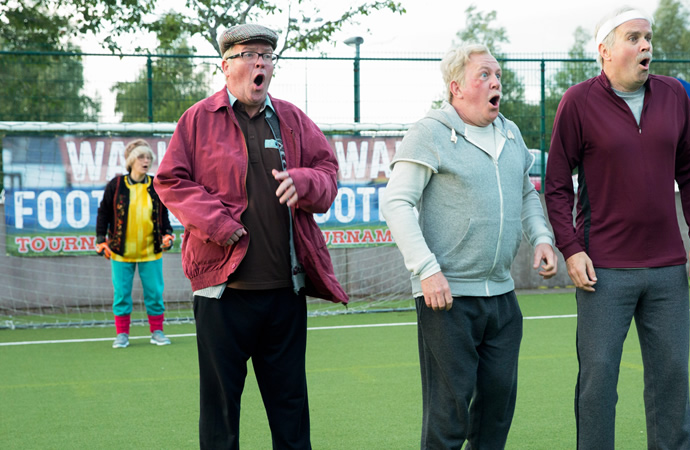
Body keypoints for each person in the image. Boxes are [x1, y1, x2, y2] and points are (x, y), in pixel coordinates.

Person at [153, 23, 347, 450]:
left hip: (285, 292)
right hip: (222, 296)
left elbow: (328, 174)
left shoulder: (293, 120)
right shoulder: (197, 120)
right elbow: (170, 181)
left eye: (266, 56)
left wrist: (304, 182)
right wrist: (219, 225)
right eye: (249, 55)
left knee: (291, 410)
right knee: (220, 414)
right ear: (226, 66)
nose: (261, 63)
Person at [544, 6, 690, 449]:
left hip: (667, 269)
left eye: (648, 38)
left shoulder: (675, 95)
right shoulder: (577, 102)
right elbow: (557, 185)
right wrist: (570, 248)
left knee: (671, 379)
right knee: (598, 381)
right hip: (604, 271)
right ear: (605, 51)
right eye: (634, 38)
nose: (646, 47)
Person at [382, 43, 558, 450]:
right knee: (450, 415)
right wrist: (426, 269)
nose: (496, 82)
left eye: (497, 75)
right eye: (484, 75)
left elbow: (527, 194)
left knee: (497, 409)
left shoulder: (511, 133)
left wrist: (542, 238)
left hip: (501, 296)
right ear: (456, 87)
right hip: (447, 298)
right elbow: (396, 202)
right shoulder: (429, 132)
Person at [95, 139, 174, 349]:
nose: (146, 161)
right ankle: (122, 335)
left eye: (148, 157)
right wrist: (100, 240)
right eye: (141, 157)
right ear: (131, 160)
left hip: (151, 251)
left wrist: (168, 233)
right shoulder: (116, 185)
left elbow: (163, 214)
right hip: (121, 252)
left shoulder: (155, 184)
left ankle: (157, 332)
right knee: (121, 294)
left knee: (155, 294)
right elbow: (103, 213)